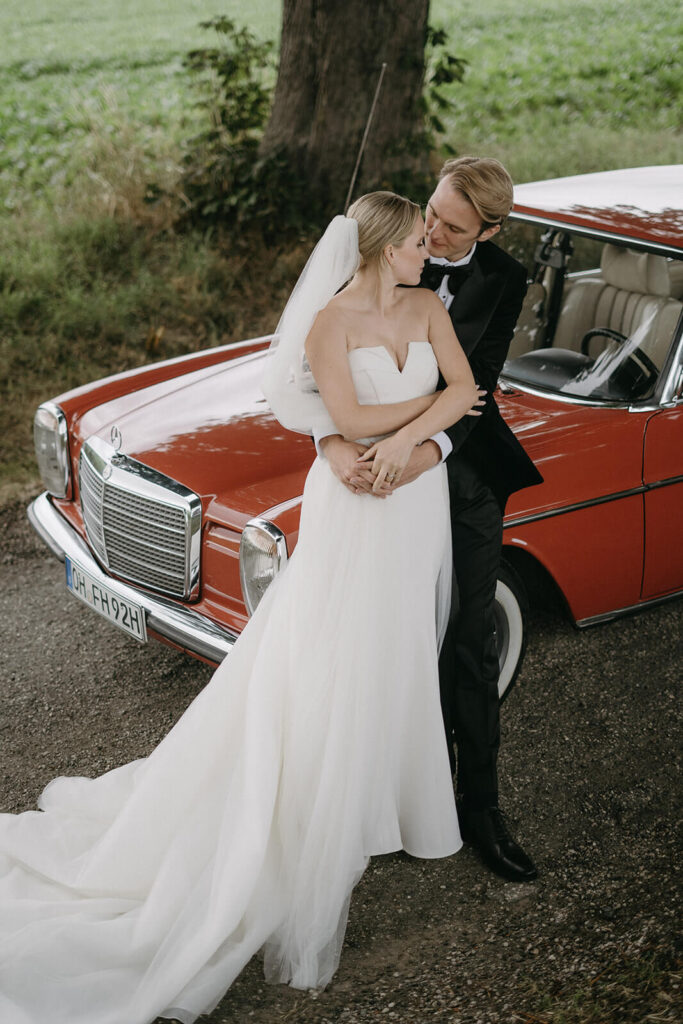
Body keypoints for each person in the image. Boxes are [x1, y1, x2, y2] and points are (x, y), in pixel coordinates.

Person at [0, 192, 481, 1024]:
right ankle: (322, 801)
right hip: (356, 503)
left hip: (413, 498)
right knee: (335, 650)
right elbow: (357, 416)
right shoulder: (330, 324)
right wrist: (409, 424)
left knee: (403, 642)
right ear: (374, 248)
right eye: (411, 243)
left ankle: (397, 802)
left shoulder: (426, 305)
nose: (426, 252)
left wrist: (403, 443)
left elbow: (467, 386)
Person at [318, 158, 544, 884]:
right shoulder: (381, 244)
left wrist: (420, 454)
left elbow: (473, 393)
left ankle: (479, 809)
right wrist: (330, 443)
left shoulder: (503, 279)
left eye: (452, 227)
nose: (434, 231)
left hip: (464, 474)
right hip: (375, 475)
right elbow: (320, 375)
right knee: (371, 639)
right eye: (431, 214)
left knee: (468, 640)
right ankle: (368, 799)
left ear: (490, 229)